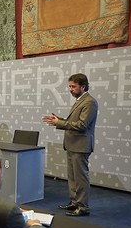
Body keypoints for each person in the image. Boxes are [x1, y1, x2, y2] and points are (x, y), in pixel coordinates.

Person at [42, 73, 98, 217]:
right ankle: (75, 202)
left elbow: (82, 125)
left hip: (81, 145)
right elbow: (73, 121)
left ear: (83, 86)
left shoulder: (89, 102)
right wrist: (58, 119)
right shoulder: (80, 100)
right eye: (70, 86)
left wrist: (59, 123)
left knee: (80, 177)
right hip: (73, 144)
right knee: (72, 177)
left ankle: (83, 207)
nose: (70, 89)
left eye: (73, 86)